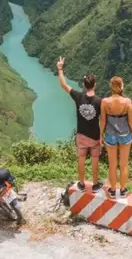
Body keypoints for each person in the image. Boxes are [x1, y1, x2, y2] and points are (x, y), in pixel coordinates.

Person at [57, 56, 103, 192]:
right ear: (95, 85)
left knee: (81, 159)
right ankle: (95, 184)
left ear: (83, 85)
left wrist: (60, 68)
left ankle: (82, 184)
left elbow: (64, 85)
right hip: (95, 137)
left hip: (81, 135)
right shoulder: (100, 101)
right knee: (95, 160)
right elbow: (103, 119)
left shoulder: (78, 96)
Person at [100, 76, 132, 198]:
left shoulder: (105, 102)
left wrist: (100, 134)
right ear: (121, 86)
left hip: (110, 135)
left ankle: (112, 190)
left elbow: (103, 121)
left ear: (111, 86)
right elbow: (131, 120)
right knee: (124, 164)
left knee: (112, 164)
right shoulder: (127, 102)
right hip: (125, 134)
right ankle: (122, 190)